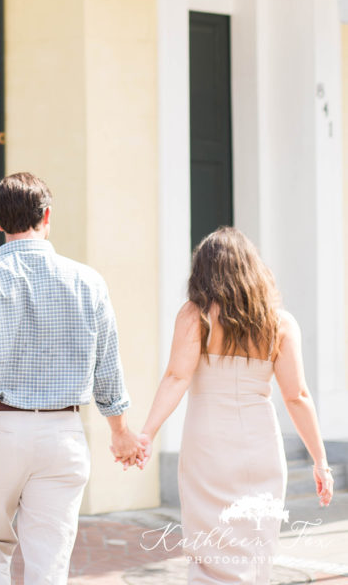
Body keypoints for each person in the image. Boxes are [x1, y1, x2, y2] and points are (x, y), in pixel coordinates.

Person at [0, 171, 143, 585]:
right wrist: (121, 433)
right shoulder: (89, 283)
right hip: (63, 435)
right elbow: (107, 368)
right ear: (47, 216)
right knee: (50, 563)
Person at [135, 226, 333, 584]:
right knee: (256, 553)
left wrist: (147, 433)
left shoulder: (195, 316)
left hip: (208, 447)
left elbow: (175, 378)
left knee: (210, 550)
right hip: (261, 447)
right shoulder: (281, 324)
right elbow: (297, 396)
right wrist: (320, 462)